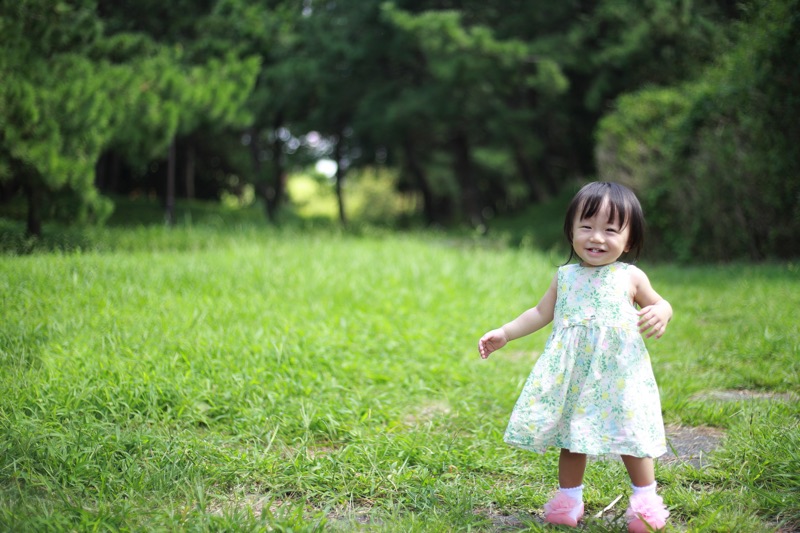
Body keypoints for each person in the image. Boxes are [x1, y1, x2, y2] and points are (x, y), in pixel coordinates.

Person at [478, 182, 672, 532]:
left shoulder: (630, 276)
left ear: (629, 240)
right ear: (571, 231)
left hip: (620, 375)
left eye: (610, 230)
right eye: (586, 226)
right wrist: (505, 333)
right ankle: (568, 500)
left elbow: (659, 302)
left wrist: (662, 311)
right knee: (571, 438)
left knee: (631, 437)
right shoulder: (565, 277)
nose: (596, 237)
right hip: (576, 375)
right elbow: (540, 313)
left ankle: (646, 502)